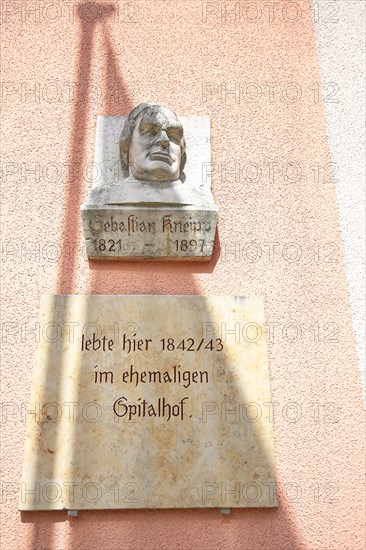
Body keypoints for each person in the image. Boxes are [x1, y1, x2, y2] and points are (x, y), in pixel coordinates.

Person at [120, 103, 186, 184]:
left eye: (172, 136)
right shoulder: (104, 196)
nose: (164, 140)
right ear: (125, 149)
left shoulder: (197, 197)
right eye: (151, 133)